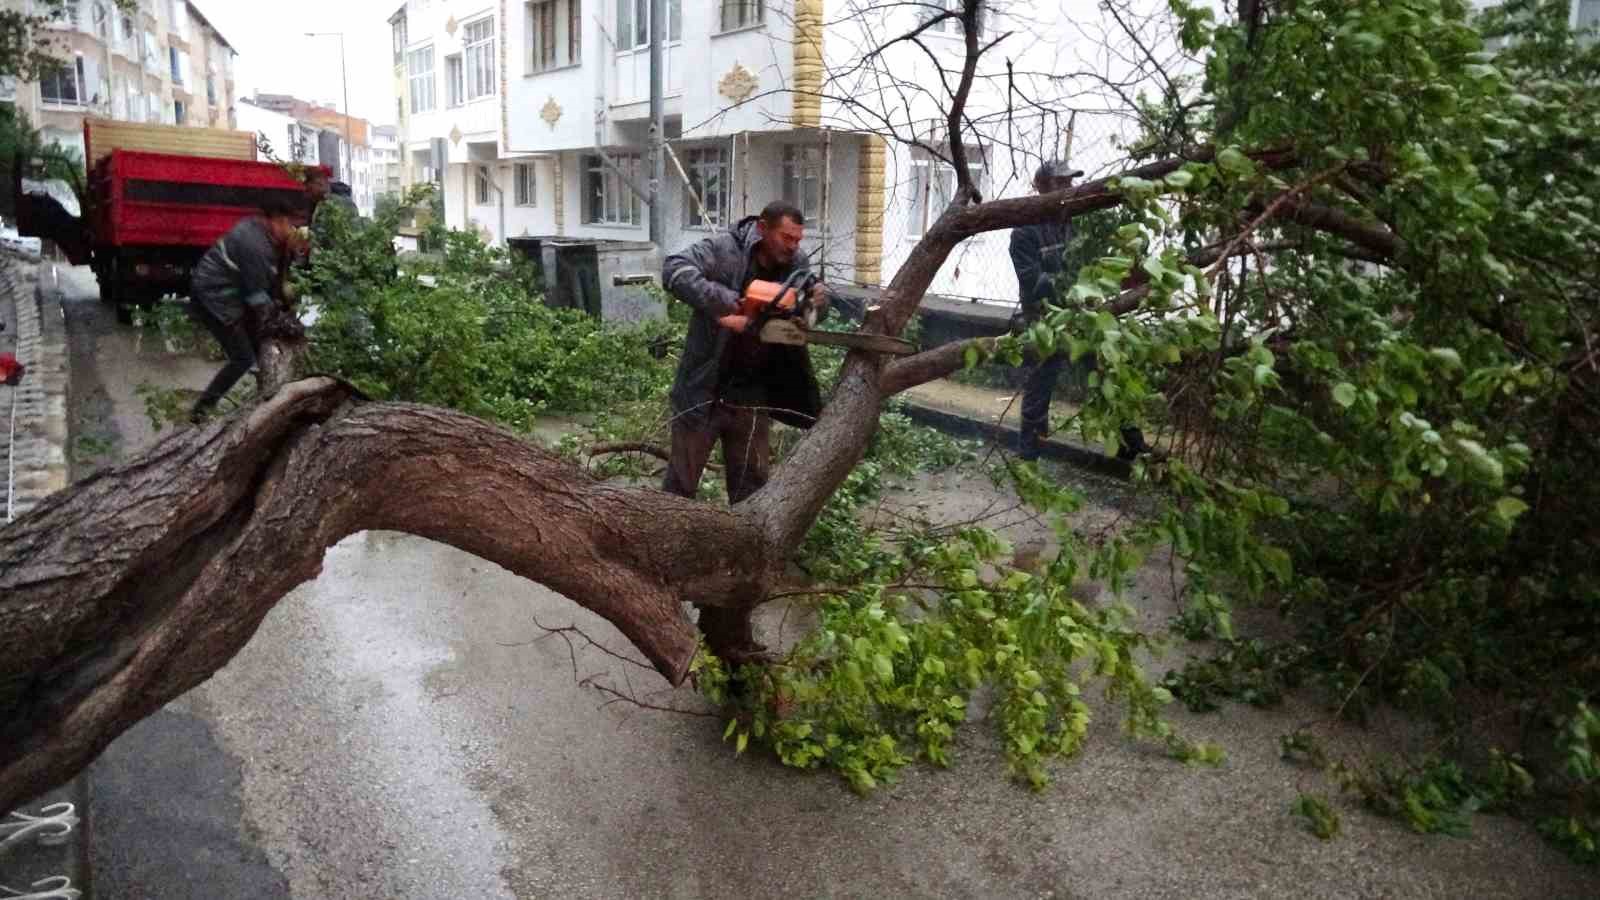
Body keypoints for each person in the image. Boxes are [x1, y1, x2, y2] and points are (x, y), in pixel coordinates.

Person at [660, 200, 827, 654]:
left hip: (754, 396)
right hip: (703, 392)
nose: (794, 248)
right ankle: (663, 573)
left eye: (798, 240)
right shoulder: (724, 251)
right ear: (762, 229)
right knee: (681, 485)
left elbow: (805, 318)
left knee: (752, 491)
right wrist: (726, 305)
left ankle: (735, 584)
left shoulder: (797, 263)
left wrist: (814, 303)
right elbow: (673, 269)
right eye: (786, 238)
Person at [1009, 159, 1152, 461]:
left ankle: (1133, 447)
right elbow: (1032, 281)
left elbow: (1094, 262)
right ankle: (1028, 456)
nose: (1069, 188)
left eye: (1070, 182)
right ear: (1042, 187)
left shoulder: (1075, 221)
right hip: (1046, 319)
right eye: (1061, 183)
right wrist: (1075, 284)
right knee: (1040, 387)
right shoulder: (1024, 230)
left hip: (1083, 316)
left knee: (1108, 375)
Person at [186, 193, 305, 422]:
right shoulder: (253, 244)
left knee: (259, 342)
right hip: (214, 298)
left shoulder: (267, 237)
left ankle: (264, 398)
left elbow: (275, 286)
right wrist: (280, 322)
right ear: (277, 221)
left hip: (232, 293)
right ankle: (201, 410)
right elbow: (257, 297)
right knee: (243, 357)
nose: (292, 231)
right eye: (290, 225)